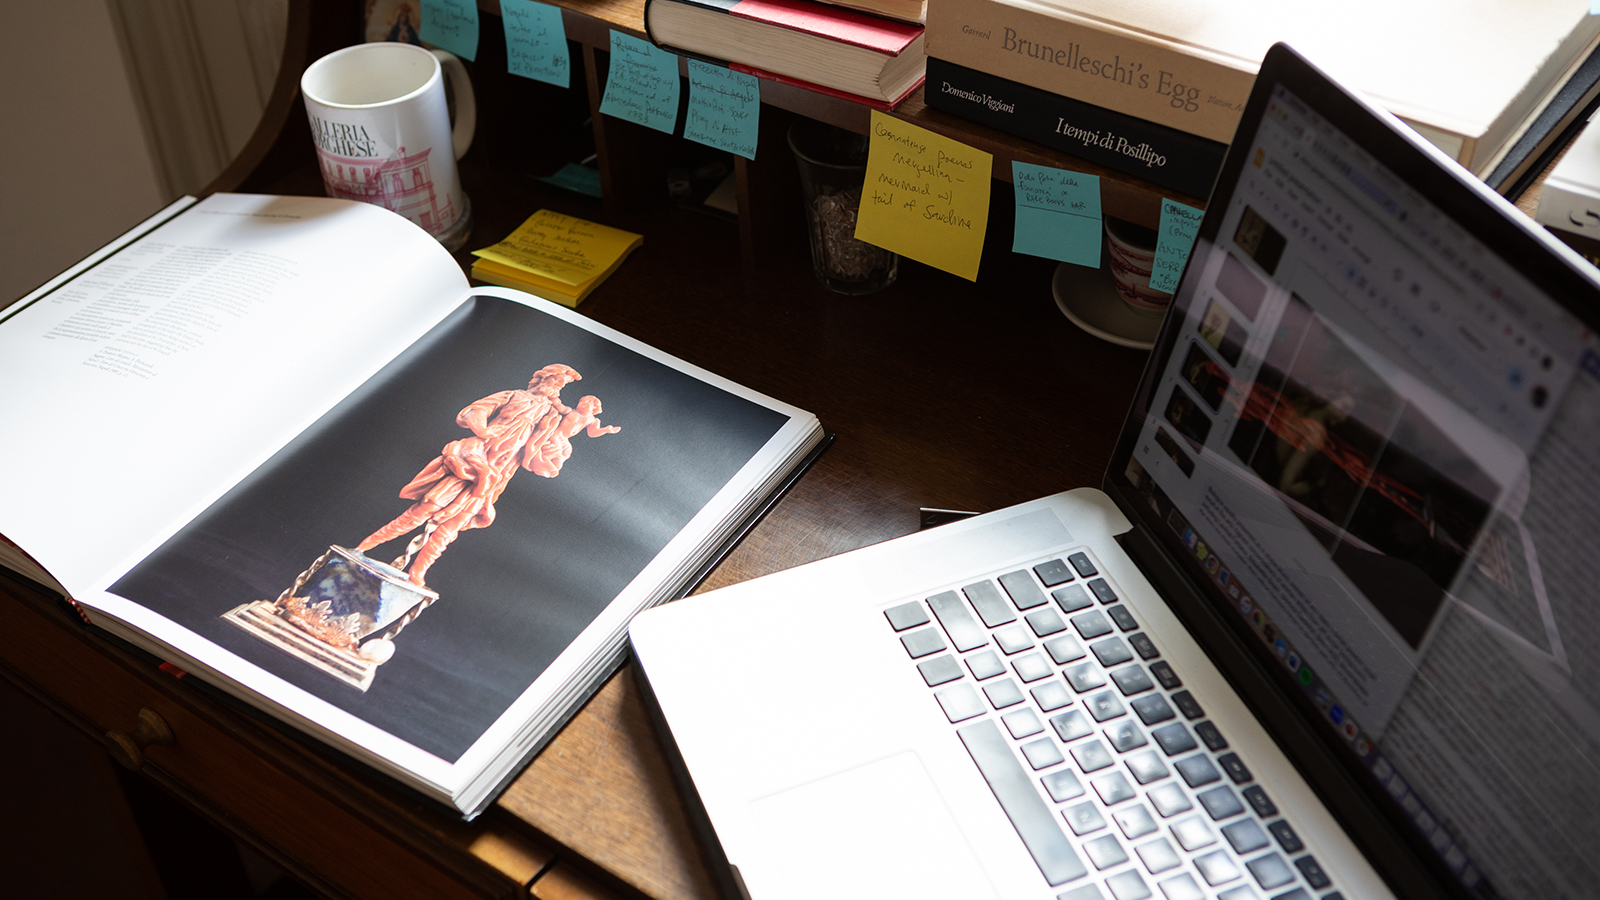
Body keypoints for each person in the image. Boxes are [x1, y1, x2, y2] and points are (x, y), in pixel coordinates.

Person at [354, 364, 617, 586]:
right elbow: (476, 409)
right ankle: (364, 547)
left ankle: (417, 573)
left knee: (452, 525)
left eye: (561, 385)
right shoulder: (514, 395)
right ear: (540, 380)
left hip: (501, 470)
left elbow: (550, 441)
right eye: (554, 380)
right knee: (423, 510)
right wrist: (481, 430)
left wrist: (555, 453)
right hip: (475, 459)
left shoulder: (551, 414)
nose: (556, 387)